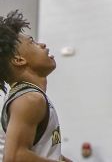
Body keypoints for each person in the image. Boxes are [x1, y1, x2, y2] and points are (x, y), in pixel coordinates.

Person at [0, 10, 71, 162]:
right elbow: (14, 158)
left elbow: (39, 151)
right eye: (32, 42)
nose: (42, 44)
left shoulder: (27, 96)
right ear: (18, 60)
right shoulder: (30, 99)